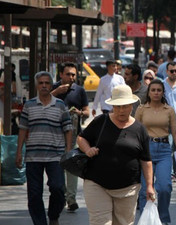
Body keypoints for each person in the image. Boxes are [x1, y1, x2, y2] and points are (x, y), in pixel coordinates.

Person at [77, 85, 155, 225]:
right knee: (101, 223)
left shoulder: (139, 129)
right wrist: (88, 149)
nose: (121, 110)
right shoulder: (101, 121)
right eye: (117, 106)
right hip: (96, 183)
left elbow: (146, 160)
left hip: (127, 188)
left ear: (131, 106)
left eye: (125, 106)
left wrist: (149, 186)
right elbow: (81, 138)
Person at [16, 71, 73, 225]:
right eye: (41, 83)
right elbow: (22, 129)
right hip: (33, 156)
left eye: (47, 83)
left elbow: (68, 129)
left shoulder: (60, 105)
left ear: (51, 85)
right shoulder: (29, 105)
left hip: (55, 155)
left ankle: (53, 215)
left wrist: (68, 150)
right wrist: (19, 152)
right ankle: (40, 222)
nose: (44, 86)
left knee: (57, 188)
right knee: (34, 194)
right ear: (36, 85)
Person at [135, 79, 176, 225]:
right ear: (149, 93)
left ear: (163, 92)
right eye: (153, 90)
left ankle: (163, 220)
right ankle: (145, 220)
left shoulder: (169, 110)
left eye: (159, 90)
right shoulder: (141, 109)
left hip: (164, 149)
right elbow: (135, 132)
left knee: (165, 187)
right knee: (145, 188)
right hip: (146, 150)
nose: (156, 93)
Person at [51, 62, 90, 212]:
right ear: (61, 74)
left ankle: (71, 199)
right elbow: (41, 101)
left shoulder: (79, 91)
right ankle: (60, 196)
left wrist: (79, 113)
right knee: (58, 167)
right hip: (55, 135)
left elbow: (87, 111)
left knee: (72, 166)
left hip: (74, 134)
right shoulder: (53, 88)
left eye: (73, 74)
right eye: (68, 74)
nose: (71, 77)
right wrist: (56, 92)